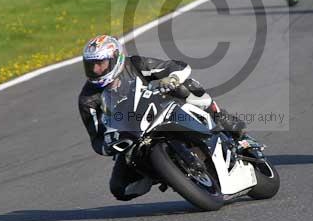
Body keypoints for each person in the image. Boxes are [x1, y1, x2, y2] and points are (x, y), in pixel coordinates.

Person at [78, 35, 250, 201]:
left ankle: (218, 115)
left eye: (100, 63)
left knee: (186, 86)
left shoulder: (135, 64)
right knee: (120, 189)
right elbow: (96, 139)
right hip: (132, 136)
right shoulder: (87, 99)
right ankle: (165, 172)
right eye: (90, 65)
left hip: (161, 109)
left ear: (116, 58)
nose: (95, 70)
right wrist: (109, 145)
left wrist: (172, 79)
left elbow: (178, 67)